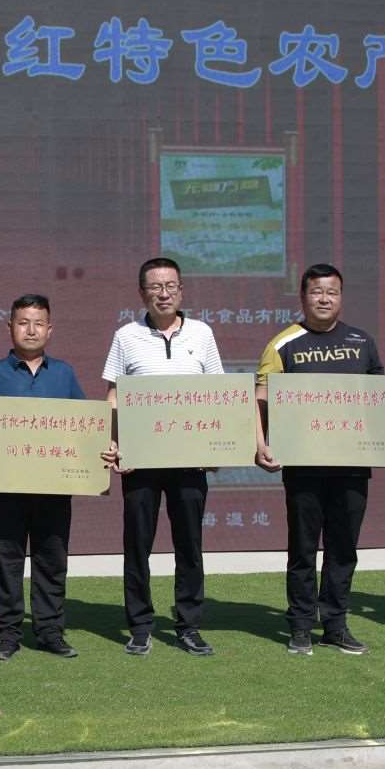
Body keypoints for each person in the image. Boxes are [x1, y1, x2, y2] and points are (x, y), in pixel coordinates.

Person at [253, 264, 385, 657]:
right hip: (303, 466)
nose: (324, 299)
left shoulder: (361, 341)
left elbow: (382, 399)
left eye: (332, 292)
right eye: (317, 291)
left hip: (353, 464)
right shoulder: (283, 344)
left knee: (344, 549)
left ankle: (336, 625)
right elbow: (259, 400)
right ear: (302, 296)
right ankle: (300, 626)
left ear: (341, 297)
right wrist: (259, 444)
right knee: (303, 549)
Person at [102, 256, 225, 657]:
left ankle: (189, 626)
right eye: (155, 287)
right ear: (142, 293)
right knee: (138, 545)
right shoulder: (126, 336)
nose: (164, 293)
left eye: (171, 285)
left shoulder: (202, 334)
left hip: (190, 460)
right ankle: (140, 626)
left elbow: (218, 395)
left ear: (181, 290)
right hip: (140, 460)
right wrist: (115, 443)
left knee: (189, 545)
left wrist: (216, 447)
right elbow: (113, 396)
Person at [0, 294, 88, 661]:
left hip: (54, 485)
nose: (31, 330)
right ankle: (7, 634)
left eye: (38, 323)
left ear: (50, 329)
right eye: (23, 322)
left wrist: (101, 447)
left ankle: (49, 631)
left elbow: (86, 425)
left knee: (52, 558)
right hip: (6, 486)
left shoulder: (64, 374)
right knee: (7, 559)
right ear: (10, 327)